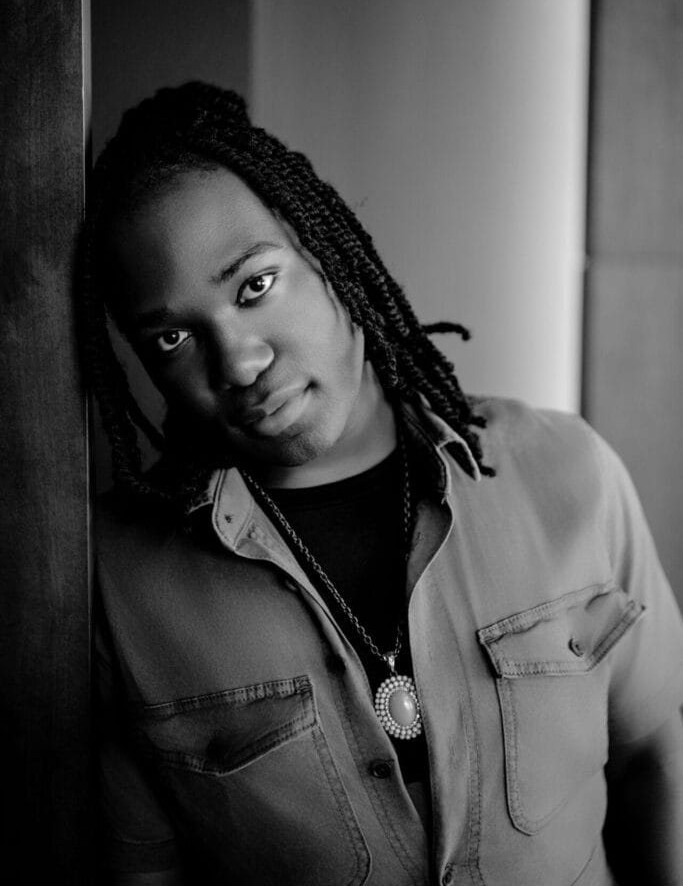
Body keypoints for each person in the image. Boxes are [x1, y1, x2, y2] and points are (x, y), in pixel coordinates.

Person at [83, 82, 683, 886]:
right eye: (172, 337)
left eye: (255, 286)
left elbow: (658, 753)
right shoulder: (117, 584)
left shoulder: (566, 473)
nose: (238, 362)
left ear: (325, 254)